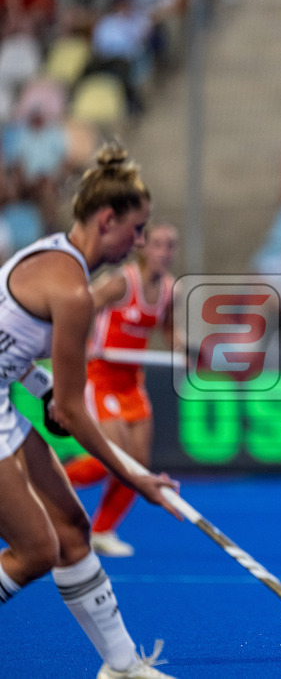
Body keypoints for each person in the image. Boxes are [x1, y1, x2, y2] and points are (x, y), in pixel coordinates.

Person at [0, 144, 180, 678]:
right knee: (36, 550)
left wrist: (43, 386)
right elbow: (75, 415)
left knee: (73, 530)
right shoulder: (76, 292)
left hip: (4, 395)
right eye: (137, 229)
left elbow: (12, 351)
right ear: (107, 220)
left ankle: (122, 667)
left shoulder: (50, 253)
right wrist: (136, 476)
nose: (140, 242)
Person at [63, 222, 178, 556]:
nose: (164, 252)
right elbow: (81, 307)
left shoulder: (170, 289)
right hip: (100, 378)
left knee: (138, 464)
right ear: (144, 247)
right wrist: (79, 344)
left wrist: (188, 349)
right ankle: (43, 484)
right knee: (111, 459)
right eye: (158, 244)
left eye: (170, 246)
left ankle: (102, 531)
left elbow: (170, 331)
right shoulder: (121, 282)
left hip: (132, 383)